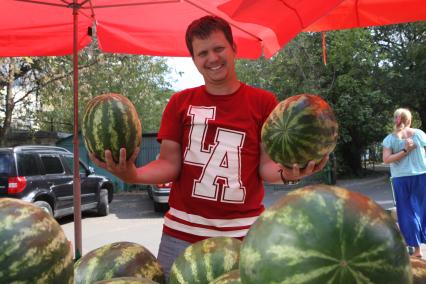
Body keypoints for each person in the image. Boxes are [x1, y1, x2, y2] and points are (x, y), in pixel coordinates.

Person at [90, 15, 328, 278]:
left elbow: (265, 166)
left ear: (233, 48)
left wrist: (289, 174)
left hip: (245, 236)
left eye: (218, 48)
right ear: (194, 60)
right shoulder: (179, 103)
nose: (212, 58)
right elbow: (170, 163)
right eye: (202, 53)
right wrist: (132, 174)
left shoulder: (263, 102)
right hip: (181, 236)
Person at [382, 108, 426, 259]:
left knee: (407, 212)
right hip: (421, 176)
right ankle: (414, 244)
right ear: (409, 120)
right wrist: (408, 150)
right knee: (419, 210)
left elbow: (386, 160)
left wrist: (405, 151)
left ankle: (417, 249)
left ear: (396, 119)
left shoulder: (390, 139)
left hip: (401, 179)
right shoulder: (419, 134)